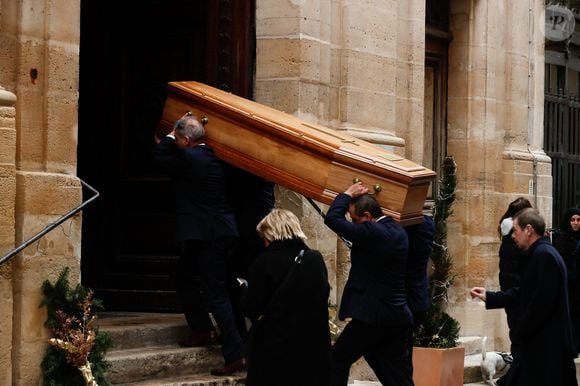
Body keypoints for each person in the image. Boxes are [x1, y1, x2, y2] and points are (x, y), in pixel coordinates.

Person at [151, 113, 246, 375]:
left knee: (216, 295)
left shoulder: (189, 157)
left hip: (209, 236)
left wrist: (168, 137)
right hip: (214, 233)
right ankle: (202, 330)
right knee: (183, 276)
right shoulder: (213, 157)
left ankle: (236, 354)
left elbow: (158, 159)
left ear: (185, 139)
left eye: (179, 139)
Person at [470, 208, 577, 386]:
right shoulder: (541, 253)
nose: (513, 235)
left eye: (516, 230)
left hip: (547, 348)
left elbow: (541, 304)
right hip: (542, 347)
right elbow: (524, 292)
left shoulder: (544, 256)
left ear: (528, 229)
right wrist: (490, 297)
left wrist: (521, 330)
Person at [324, 182, 413, 386]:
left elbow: (332, 219)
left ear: (368, 217)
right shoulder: (397, 232)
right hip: (396, 315)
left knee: (336, 360)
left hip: (373, 316)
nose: (354, 225)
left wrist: (346, 194)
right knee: (393, 372)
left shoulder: (372, 231)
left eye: (355, 220)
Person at [242, 208, 331, 386]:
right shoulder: (315, 259)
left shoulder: (264, 262)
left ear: (271, 235)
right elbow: (323, 295)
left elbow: (250, 307)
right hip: (312, 345)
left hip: (275, 346)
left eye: (264, 238)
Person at [496, 197, 532, 367]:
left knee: (515, 330)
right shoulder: (518, 239)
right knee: (522, 332)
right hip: (519, 291)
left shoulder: (506, 235)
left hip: (509, 290)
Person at [403, 214, 435, 376]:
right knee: (403, 358)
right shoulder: (427, 225)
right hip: (418, 301)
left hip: (406, 304)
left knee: (401, 361)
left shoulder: (404, 234)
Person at [552, 207, 580, 353]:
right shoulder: (561, 238)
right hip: (569, 284)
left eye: (578, 220)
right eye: (572, 220)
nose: (575, 223)